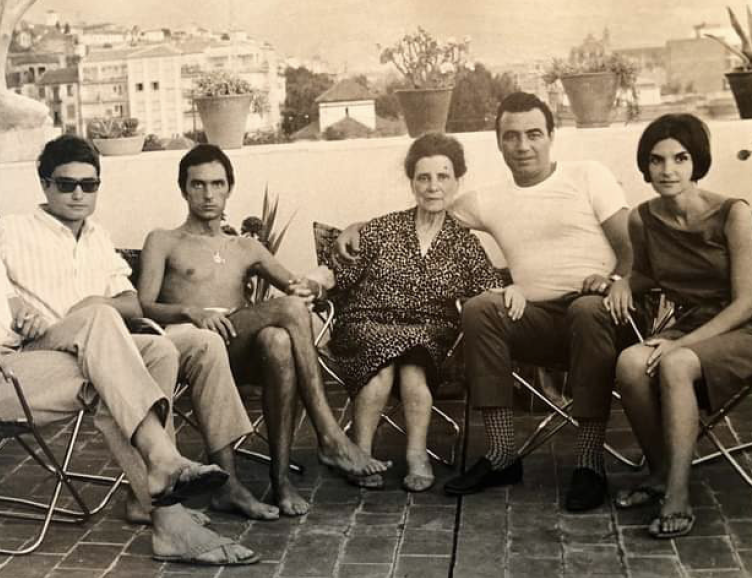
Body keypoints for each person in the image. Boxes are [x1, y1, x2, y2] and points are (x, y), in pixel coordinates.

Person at [0, 124, 258, 566]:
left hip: (16, 360)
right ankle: (165, 487)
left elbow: (7, 303)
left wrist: (20, 312)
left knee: (153, 349)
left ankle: (158, 489)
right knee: (104, 355)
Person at [337, 92, 635, 512]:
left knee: (585, 310)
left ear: (552, 135)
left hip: (601, 311)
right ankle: (500, 455)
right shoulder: (486, 199)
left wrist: (618, 279)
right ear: (498, 143)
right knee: (479, 307)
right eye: (511, 136)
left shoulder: (588, 175)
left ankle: (588, 462)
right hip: (537, 319)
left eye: (534, 134)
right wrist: (359, 228)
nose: (523, 145)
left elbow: (633, 245)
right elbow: (425, 208)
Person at [0, 135, 279, 521]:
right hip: (46, 350)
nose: (78, 194)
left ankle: (224, 481)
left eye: (89, 185)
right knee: (105, 323)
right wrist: (14, 306)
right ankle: (158, 485)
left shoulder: (98, 238)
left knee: (201, 343)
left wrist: (99, 304)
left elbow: (130, 302)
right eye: (67, 185)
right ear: (45, 184)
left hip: (106, 344)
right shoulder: (9, 230)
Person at [136, 144, 391, 516]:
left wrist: (331, 261)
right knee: (286, 315)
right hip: (193, 349)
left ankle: (281, 483)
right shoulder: (164, 240)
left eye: (217, 184)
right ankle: (330, 434)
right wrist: (190, 312)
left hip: (239, 350)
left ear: (229, 188)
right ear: (183, 189)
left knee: (277, 341)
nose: (209, 195)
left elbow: (297, 288)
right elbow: (143, 305)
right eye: (198, 185)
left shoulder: (246, 247)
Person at [320, 133, 503, 492]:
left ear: (457, 181)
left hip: (429, 332)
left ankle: (416, 454)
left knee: (414, 367)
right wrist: (315, 280)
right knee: (384, 367)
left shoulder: (464, 242)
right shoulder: (383, 228)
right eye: (424, 177)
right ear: (412, 182)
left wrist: (511, 291)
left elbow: (490, 289)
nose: (433, 187)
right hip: (366, 323)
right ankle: (361, 453)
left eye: (443, 177)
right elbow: (337, 273)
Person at [610, 114, 752, 539]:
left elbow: (747, 301)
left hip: (742, 327)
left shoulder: (733, 215)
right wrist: (623, 282)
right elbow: (648, 276)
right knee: (631, 363)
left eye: (680, 158)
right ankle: (658, 472)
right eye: (656, 160)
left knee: (673, 364)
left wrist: (680, 345)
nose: (667, 170)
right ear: (646, 166)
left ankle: (677, 494)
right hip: (692, 326)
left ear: (697, 163)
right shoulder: (643, 220)